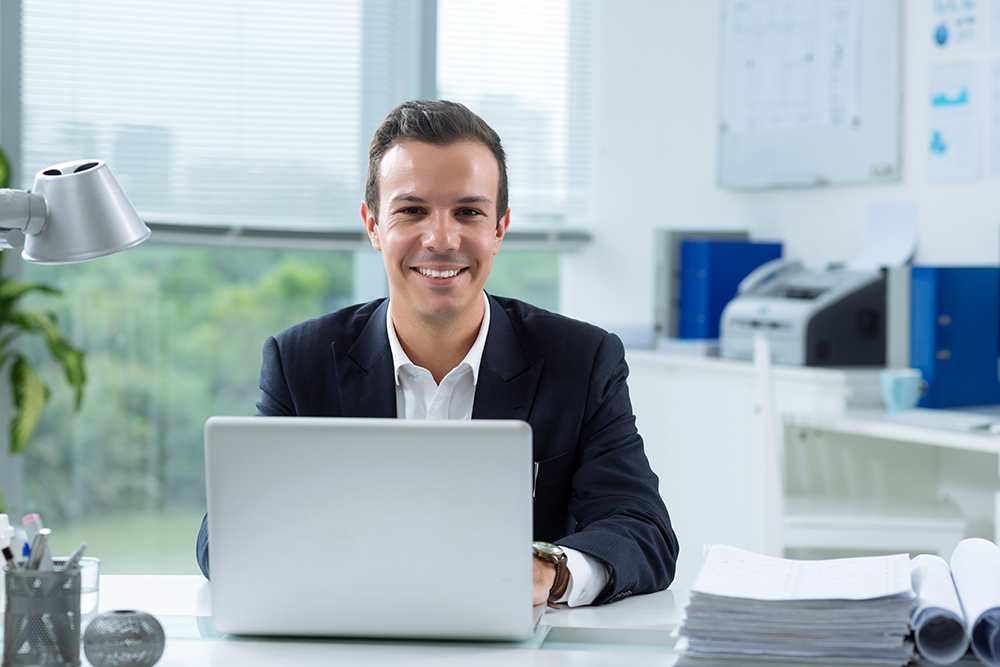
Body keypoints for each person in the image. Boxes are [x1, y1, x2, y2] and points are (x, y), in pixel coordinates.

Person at [197, 99, 678, 607]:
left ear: (499, 228)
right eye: (411, 211)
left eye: (468, 212)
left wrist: (548, 574)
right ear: (373, 225)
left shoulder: (582, 360)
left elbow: (642, 529)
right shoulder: (301, 361)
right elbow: (227, 532)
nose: (441, 238)